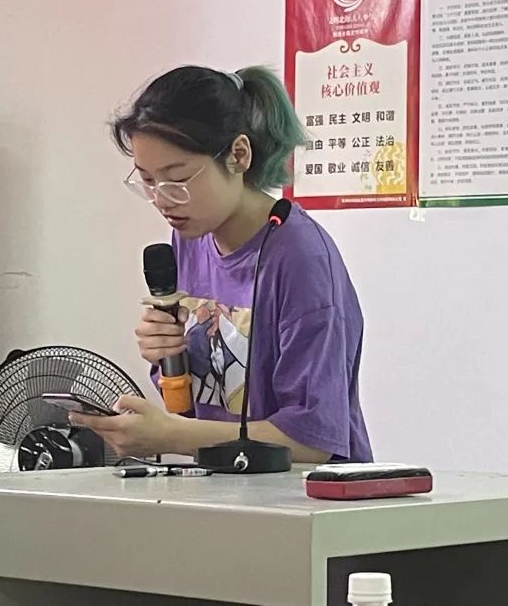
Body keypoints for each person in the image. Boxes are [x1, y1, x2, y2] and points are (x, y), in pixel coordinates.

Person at [70, 65, 372, 463]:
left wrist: (171, 437)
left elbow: (312, 442)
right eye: (148, 181)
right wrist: (167, 354)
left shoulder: (301, 257)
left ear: (238, 155)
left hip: (308, 495)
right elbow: (194, 410)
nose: (162, 200)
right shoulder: (190, 237)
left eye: (178, 179)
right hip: (228, 487)